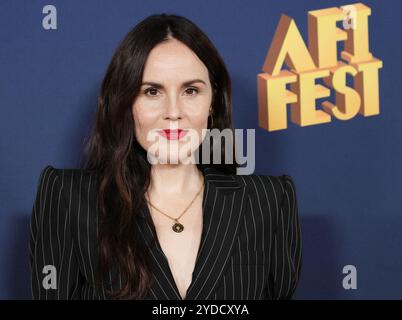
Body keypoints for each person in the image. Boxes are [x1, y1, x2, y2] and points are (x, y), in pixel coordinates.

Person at [29, 13, 302, 300]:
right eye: (152, 91)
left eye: (191, 90)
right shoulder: (67, 197)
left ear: (213, 101)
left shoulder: (271, 201)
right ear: (126, 103)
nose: (173, 112)